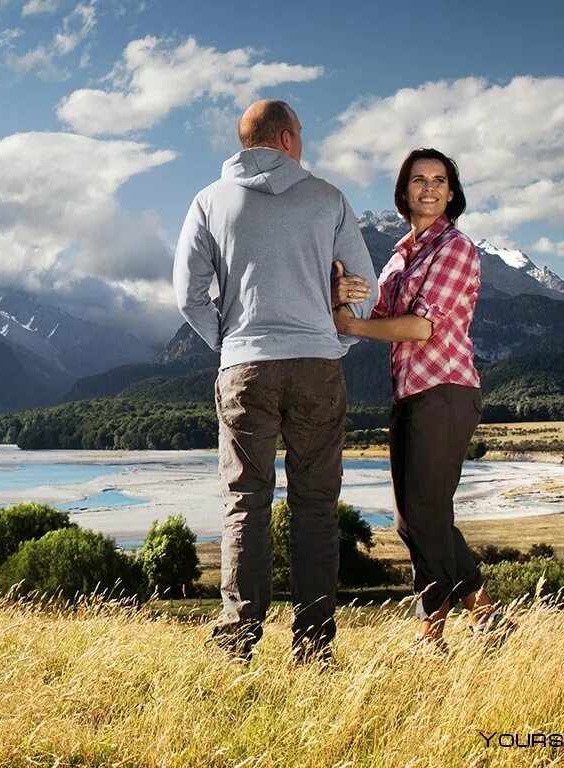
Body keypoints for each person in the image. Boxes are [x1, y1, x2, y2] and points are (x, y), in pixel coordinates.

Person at [173, 100, 377, 664]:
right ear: (287, 138)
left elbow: (187, 294)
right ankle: (313, 647)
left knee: (245, 502)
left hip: (245, 368)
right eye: (303, 133)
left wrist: (230, 341)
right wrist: (340, 340)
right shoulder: (329, 199)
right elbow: (367, 290)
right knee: (314, 507)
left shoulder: (209, 201)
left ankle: (237, 642)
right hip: (317, 364)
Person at [332, 148, 507, 651]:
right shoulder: (399, 255)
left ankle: (433, 631)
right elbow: (379, 304)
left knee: (425, 513)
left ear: (452, 193)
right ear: (403, 191)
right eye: (418, 180)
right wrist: (344, 293)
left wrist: (354, 325)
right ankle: (484, 613)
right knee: (415, 516)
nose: (428, 188)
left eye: (439, 180)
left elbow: (421, 327)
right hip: (410, 395)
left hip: (446, 391)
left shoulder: (455, 248)